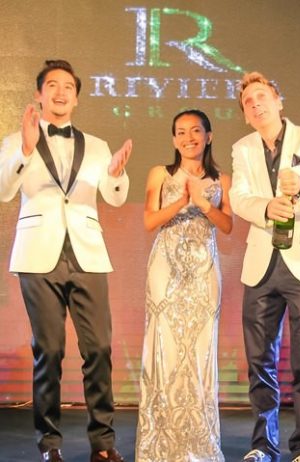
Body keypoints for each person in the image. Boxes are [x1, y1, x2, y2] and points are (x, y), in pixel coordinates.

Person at [0, 60, 132, 462]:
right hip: (38, 256)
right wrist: (25, 150)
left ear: (76, 98)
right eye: (52, 86)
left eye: (68, 87)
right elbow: (5, 190)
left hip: (87, 253)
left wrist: (115, 174)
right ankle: (50, 444)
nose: (60, 93)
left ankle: (103, 443)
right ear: (39, 94)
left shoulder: (97, 145)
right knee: (50, 350)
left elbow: (115, 197)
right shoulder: (16, 140)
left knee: (99, 349)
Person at [229, 71, 300, 462]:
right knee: (259, 359)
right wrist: (265, 207)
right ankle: (263, 444)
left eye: (262, 97)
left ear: (279, 101)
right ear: (245, 114)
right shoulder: (242, 148)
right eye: (248, 102)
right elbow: (239, 198)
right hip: (262, 266)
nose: (256, 104)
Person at [135, 109, 232, 462]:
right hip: (166, 269)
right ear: (174, 139)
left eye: (195, 131)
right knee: (165, 351)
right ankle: (161, 447)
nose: (188, 137)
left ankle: (200, 447)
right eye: (180, 132)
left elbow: (227, 225)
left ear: (208, 136)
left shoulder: (222, 179)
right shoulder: (160, 174)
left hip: (205, 270)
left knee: (200, 353)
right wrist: (182, 201)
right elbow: (150, 221)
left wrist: (203, 203)